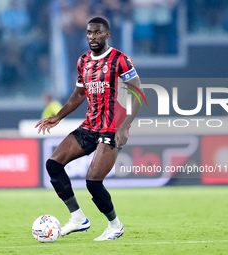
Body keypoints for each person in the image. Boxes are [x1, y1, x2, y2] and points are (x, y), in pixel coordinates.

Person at [35, 17, 142, 241]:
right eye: (89, 33)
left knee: (93, 181)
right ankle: (78, 219)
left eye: (97, 32)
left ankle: (115, 225)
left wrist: (124, 127)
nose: (92, 37)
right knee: (53, 164)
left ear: (107, 34)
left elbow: (137, 94)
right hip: (90, 126)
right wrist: (58, 116)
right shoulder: (83, 61)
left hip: (112, 129)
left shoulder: (120, 60)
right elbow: (79, 94)